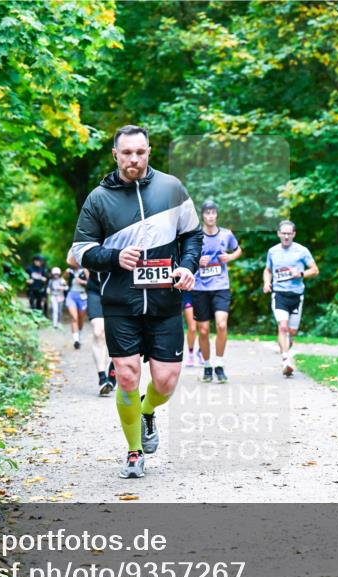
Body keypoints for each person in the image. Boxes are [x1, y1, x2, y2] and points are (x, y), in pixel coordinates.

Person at [70, 124, 202, 479]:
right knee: (127, 376)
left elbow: (192, 234)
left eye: (140, 152)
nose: (134, 159)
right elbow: (78, 252)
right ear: (115, 154)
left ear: (149, 152)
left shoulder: (171, 188)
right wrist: (114, 258)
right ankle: (133, 452)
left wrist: (187, 267)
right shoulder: (99, 198)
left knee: (166, 381)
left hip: (165, 303)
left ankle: (147, 412)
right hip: (120, 303)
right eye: (127, 153)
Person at [192, 200, 241, 383]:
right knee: (203, 330)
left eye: (213, 213)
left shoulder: (226, 235)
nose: (210, 216)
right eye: (207, 213)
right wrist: (198, 261)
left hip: (220, 286)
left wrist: (229, 257)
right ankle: (207, 366)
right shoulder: (196, 236)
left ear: (217, 215)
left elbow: (238, 250)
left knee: (221, 325)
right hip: (200, 288)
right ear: (202, 215)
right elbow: (185, 256)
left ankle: (219, 364)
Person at [262, 220, 319, 377]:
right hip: (279, 294)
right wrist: (267, 283)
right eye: (283, 233)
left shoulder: (301, 251)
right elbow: (267, 270)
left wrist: (300, 274)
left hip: (296, 295)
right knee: (283, 326)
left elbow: (315, 270)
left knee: (291, 331)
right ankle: (286, 359)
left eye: (289, 233)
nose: (286, 236)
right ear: (279, 234)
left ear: (293, 234)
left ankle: (285, 347)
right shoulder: (273, 251)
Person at [68, 249, 117, 396]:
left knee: (118, 334)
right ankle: (103, 379)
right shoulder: (93, 231)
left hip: (119, 289)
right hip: (95, 290)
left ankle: (113, 371)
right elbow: (71, 260)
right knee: (98, 331)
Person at [65, 263, 89, 349]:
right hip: (71, 295)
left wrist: (81, 281)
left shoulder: (85, 270)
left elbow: (91, 283)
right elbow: (62, 281)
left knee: (81, 318)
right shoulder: (69, 271)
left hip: (82, 296)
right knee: (74, 317)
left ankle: (79, 335)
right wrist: (65, 276)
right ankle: (76, 340)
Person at [181, 291, 200, 367]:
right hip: (188, 294)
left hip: (202, 293)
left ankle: (201, 352)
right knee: (192, 328)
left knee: (203, 327)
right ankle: (190, 354)